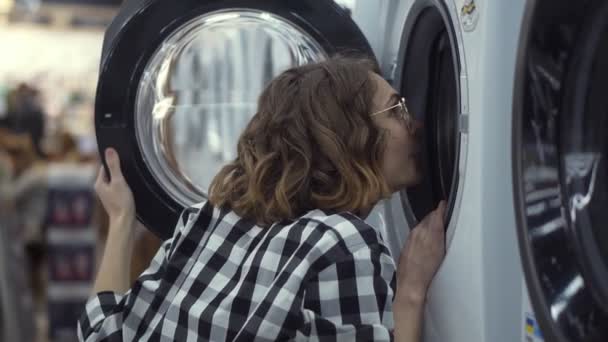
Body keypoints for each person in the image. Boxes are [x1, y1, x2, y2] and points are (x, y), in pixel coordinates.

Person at [79, 56, 446, 341]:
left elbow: (100, 332)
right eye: (397, 109)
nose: (415, 124)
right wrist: (411, 294)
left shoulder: (207, 218)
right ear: (349, 136)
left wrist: (122, 219)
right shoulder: (341, 243)